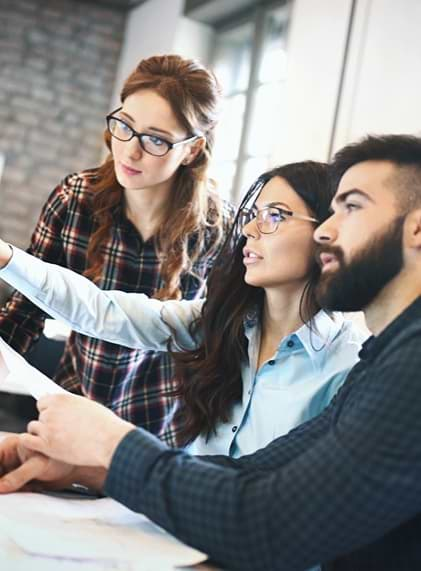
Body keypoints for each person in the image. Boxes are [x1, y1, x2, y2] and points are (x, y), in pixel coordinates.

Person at [1, 133, 421, 571]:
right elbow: (256, 474)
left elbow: (269, 522)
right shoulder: (383, 359)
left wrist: (112, 442)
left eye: (351, 207)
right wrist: (92, 468)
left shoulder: (395, 367)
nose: (328, 232)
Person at [0, 161, 366, 458]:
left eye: (275, 215)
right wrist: (8, 257)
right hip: (177, 531)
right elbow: (100, 310)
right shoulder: (220, 322)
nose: (251, 229)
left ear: (328, 232)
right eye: (254, 214)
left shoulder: (346, 367)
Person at [0, 54, 234, 445]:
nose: (129, 151)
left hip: (166, 429)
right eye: (125, 126)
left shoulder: (218, 230)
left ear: (192, 150)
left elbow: (219, 345)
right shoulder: (76, 199)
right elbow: (25, 311)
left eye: (156, 139)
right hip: (75, 410)